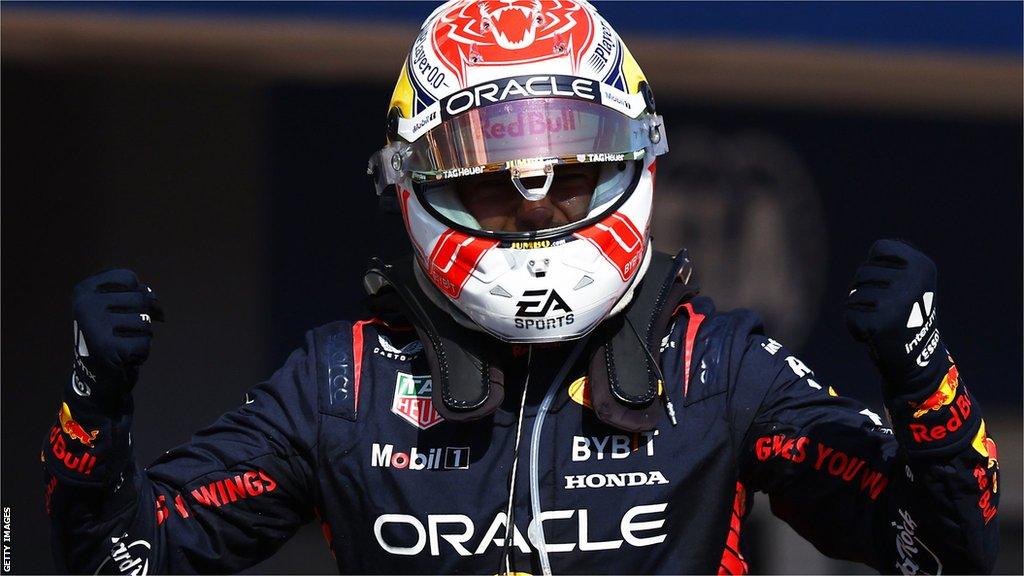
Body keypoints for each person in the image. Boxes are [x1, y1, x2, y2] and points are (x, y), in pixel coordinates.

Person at [43, 1, 1000, 574]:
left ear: (634, 159)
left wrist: (925, 386)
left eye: (569, 178)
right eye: (493, 186)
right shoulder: (343, 384)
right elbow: (119, 562)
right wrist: (96, 417)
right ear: (415, 187)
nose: (536, 213)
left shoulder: (716, 366)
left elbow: (942, 553)